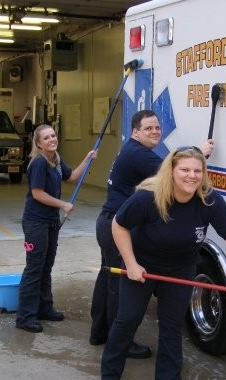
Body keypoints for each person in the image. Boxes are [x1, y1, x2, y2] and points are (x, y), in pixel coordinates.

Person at [98, 146, 226, 380]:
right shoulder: (148, 198)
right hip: (143, 268)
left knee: (171, 326)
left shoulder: (208, 199)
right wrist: (131, 264)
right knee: (127, 321)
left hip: (180, 269)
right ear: (171, 171)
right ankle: (109, 376)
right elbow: (119, 224)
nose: (191, 176)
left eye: (197, 170)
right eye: (184, 169)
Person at [89, 110, 214, 359]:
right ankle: (120, 343)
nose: (155, 131)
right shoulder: (139, 155)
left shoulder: (132, 149)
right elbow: (173, 172)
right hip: (117, 225)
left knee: (108, 281)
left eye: (157, 127)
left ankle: (99, 333)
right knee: (118, 289)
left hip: (107, 222)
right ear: (136, 132)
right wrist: (199, 153)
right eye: (148, 128)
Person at [16, 124, 97, 333]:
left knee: (46, 266)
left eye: (53, 135)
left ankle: (44, 308)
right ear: (38, 143)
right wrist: (63, 204)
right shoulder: (39, 163)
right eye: (46, 137)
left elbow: (72, 177)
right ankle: (25, 317)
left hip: (50, 222)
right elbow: (37, 193)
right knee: (34, 267)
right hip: (35, 222)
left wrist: (88, 159)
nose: (52, 139)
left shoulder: (56, 161)